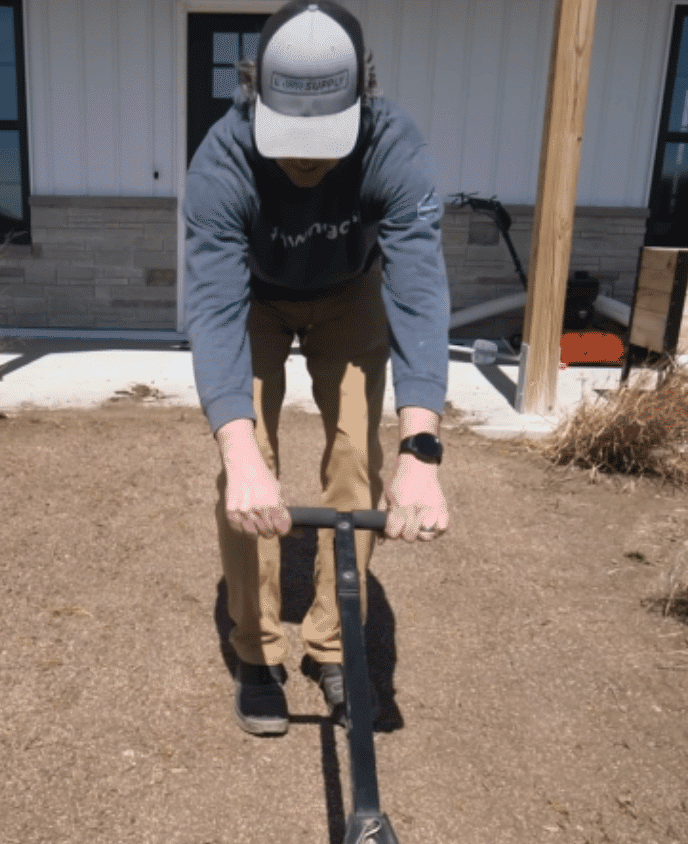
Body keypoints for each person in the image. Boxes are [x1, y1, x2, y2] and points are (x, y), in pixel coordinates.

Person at [184, 0, 450, 737]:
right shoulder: (222, 160)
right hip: (255, 298)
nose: (305, 161)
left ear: (362, 99)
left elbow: (419, 292)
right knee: (247, 466)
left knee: (358, 459)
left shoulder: (395, 147)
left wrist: (422, 448)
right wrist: (239, 452)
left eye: (322, 140)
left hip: (349, 293)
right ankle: (259, 651)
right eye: (290, 139)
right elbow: (212, 309)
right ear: (254, 94)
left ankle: (333, 646)